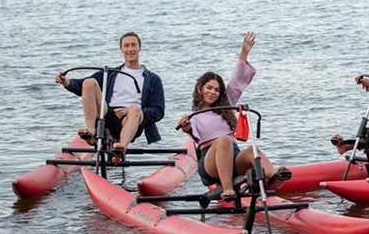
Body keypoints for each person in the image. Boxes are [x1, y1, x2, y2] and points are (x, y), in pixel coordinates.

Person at [177, 32, 289, 201]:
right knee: (223, 140)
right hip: (210, 163)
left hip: (233, 157)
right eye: (209, 88)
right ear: (200, 88)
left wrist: (244, 52)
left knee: (253, 150)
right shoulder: (194, 115)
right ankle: (227, 189)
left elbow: (237, 80)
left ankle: (273, 175)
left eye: (217, 90)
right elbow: (190, 131)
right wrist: (185, 126)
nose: (213, 92)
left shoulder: (226, 104)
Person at [55, 31, 165, 161]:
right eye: (126, 46)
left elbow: (158, 111)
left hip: (133, 119)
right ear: (121, 49)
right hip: (108, 114)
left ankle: (120, 149)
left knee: (134, 109)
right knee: (89, 83)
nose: (130, 49)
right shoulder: (111, 73)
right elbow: (80, 86)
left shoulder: (153, 79)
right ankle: (92, 133)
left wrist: (130, 110)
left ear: (139, 48)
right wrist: (65, 82)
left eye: (133, 45)